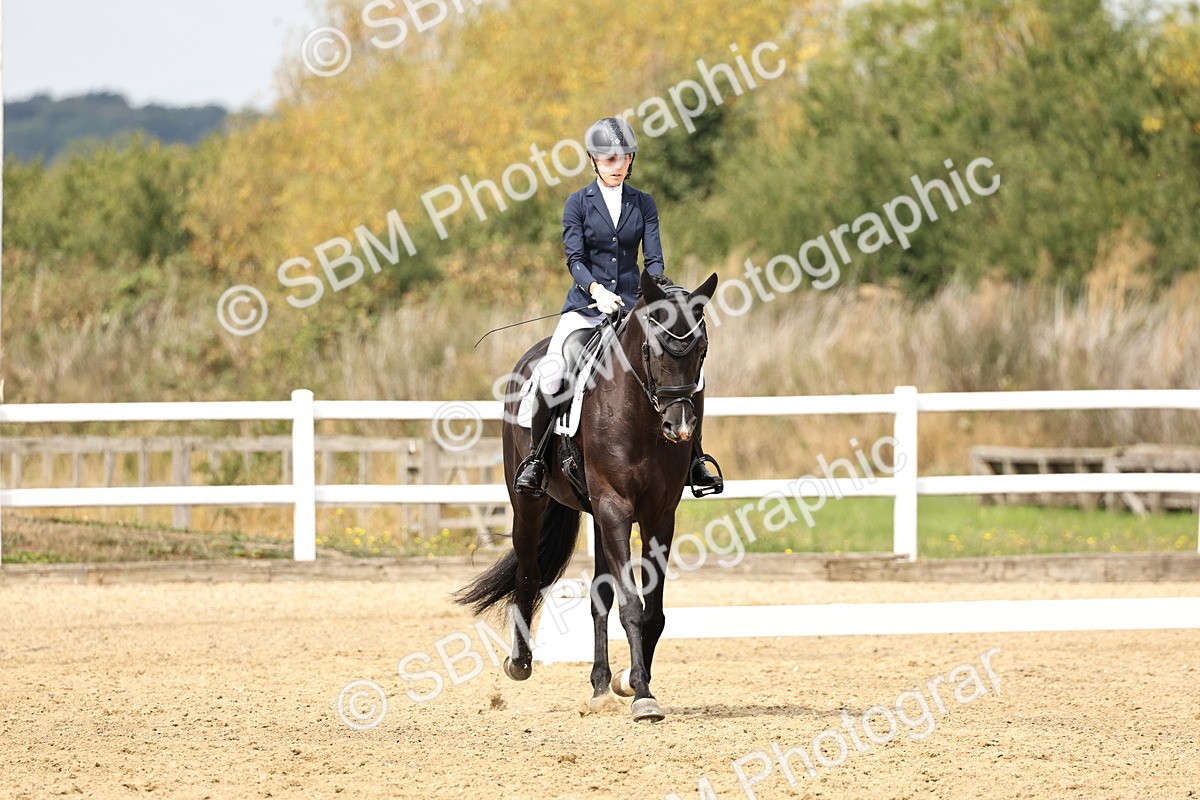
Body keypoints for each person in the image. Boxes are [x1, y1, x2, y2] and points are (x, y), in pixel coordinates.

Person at [513, 116, 722, 497]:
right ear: (593, 160)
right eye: (609, 159)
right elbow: (574, 258)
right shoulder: (577, 203)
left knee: (695, 376)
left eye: (624, 157)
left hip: (634, 308)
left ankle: (695, 459)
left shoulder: (644, 203)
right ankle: (537, 461)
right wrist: (594, 289)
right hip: (586, 308)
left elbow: (653, 260)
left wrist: (658, 289)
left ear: (631, 160)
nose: (617, 165)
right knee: (553, 370)